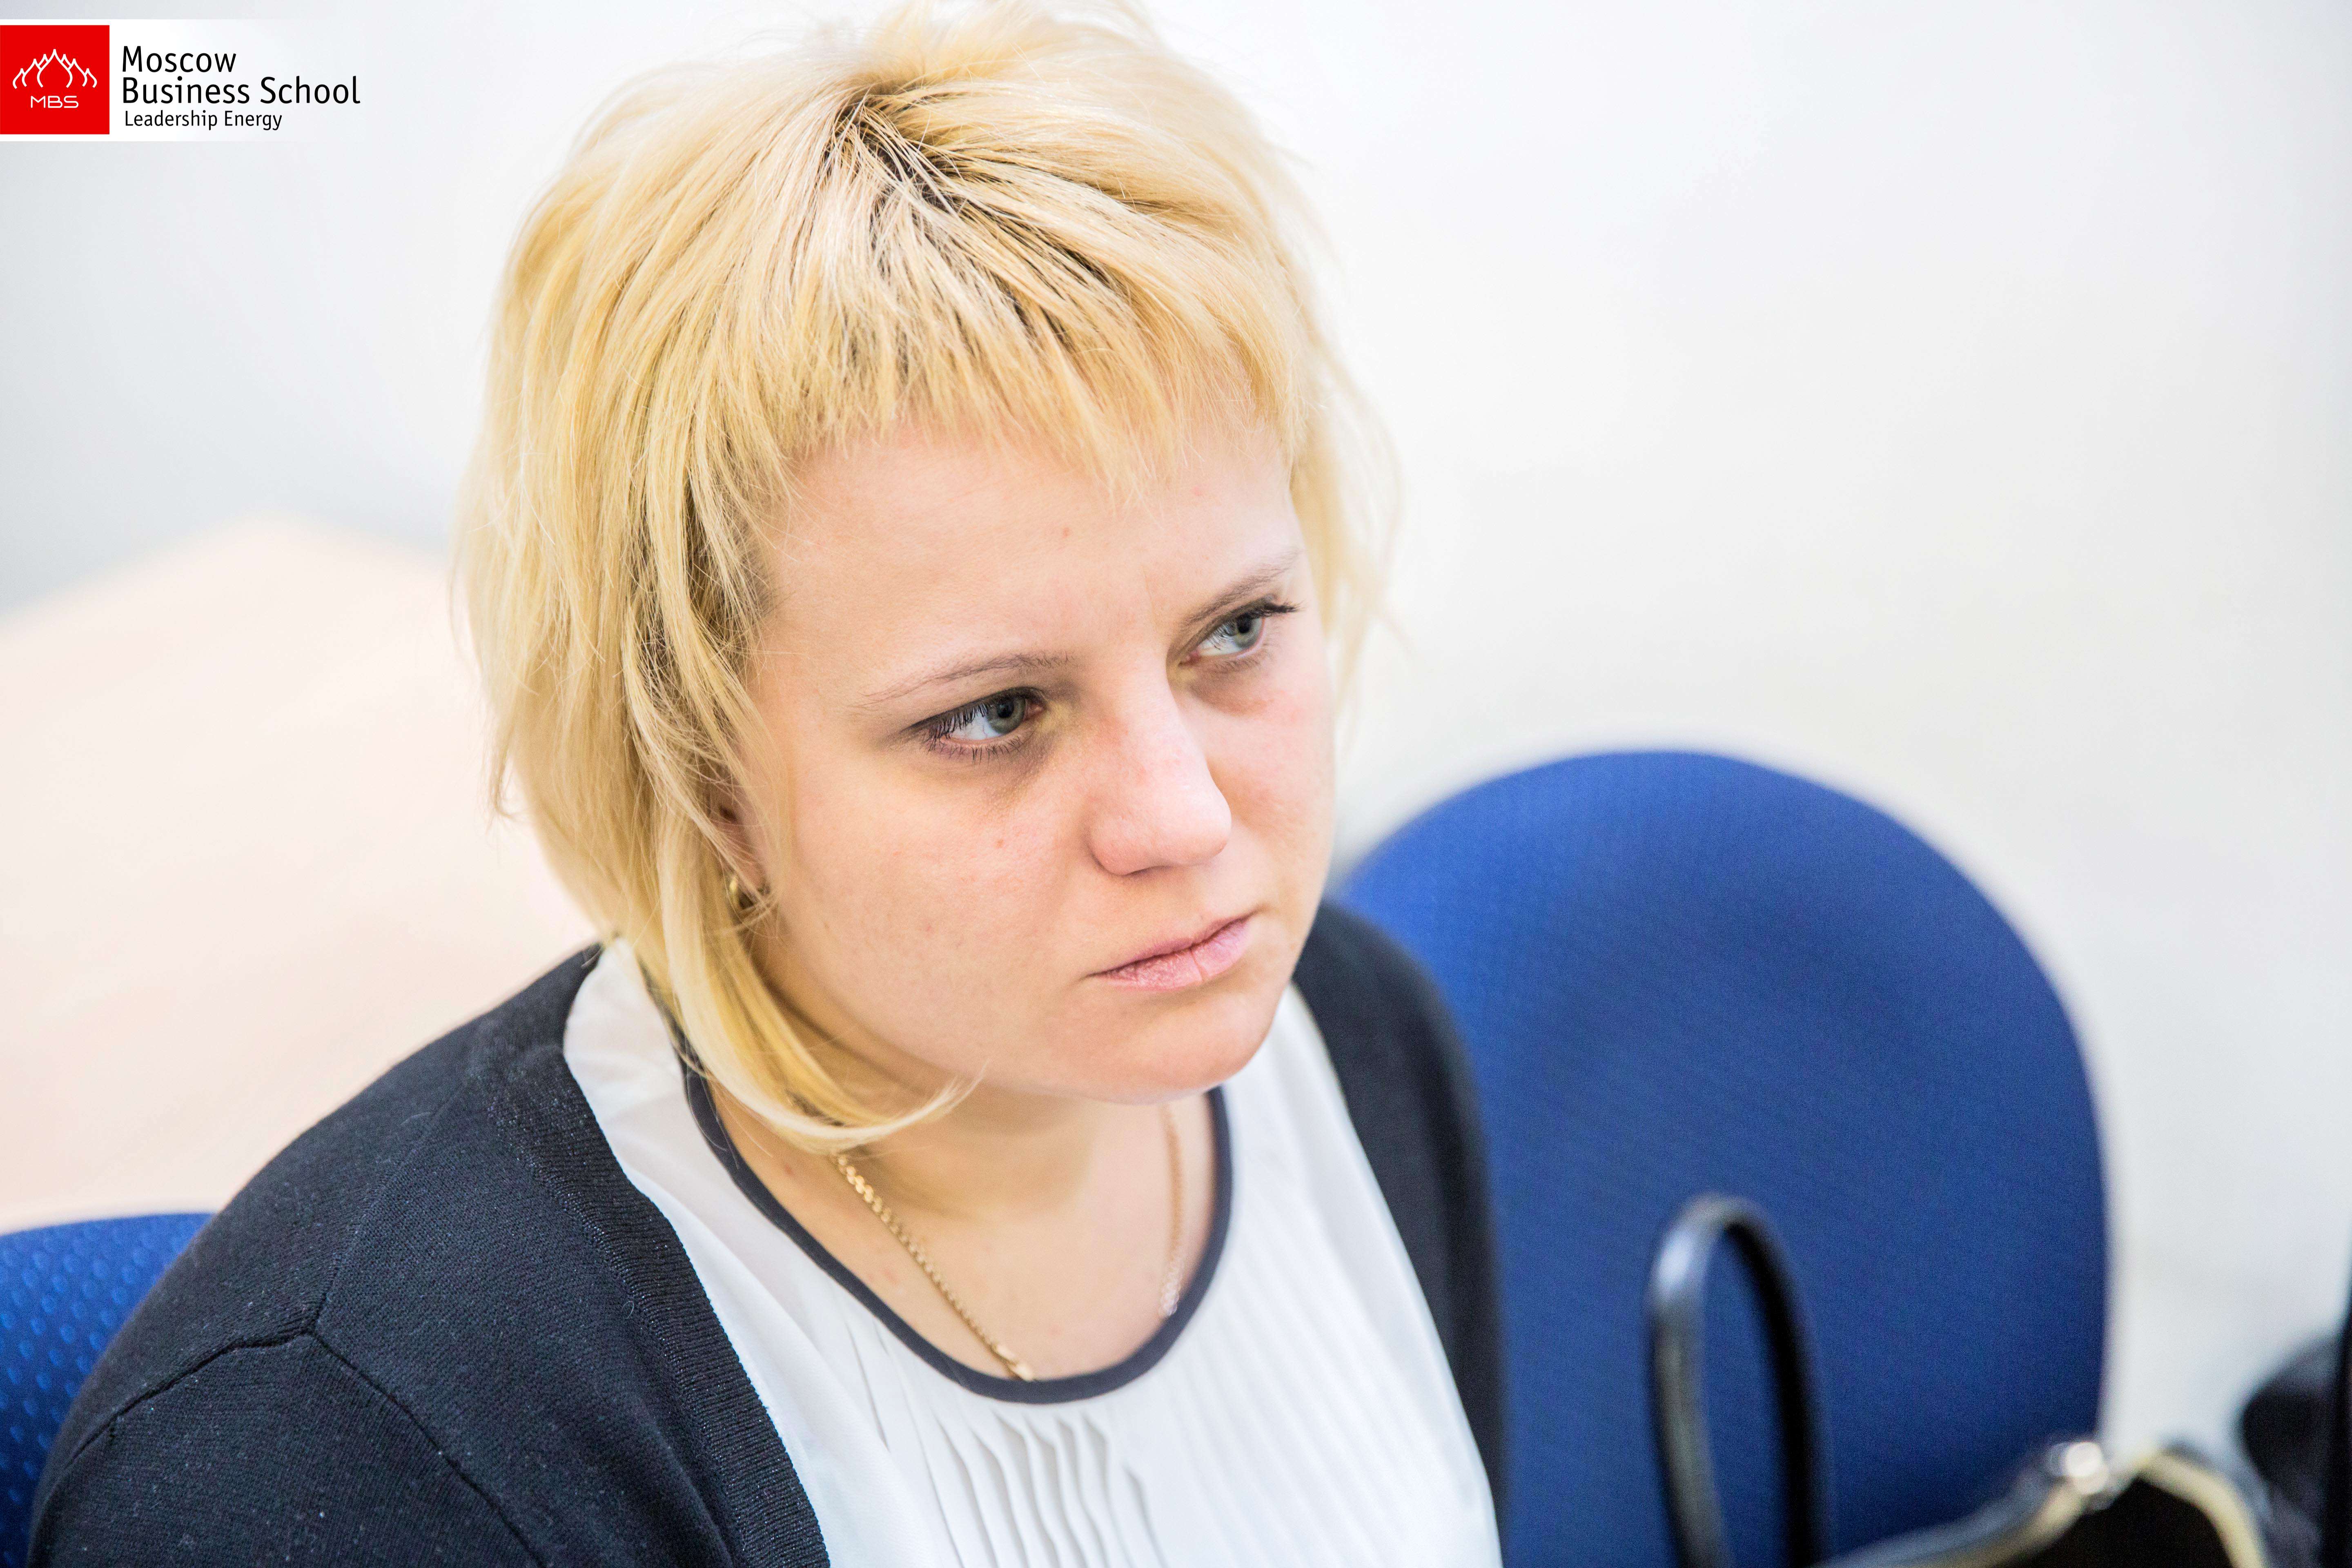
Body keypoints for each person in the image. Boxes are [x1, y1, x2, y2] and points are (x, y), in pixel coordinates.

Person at [29, 4, 1504, 1562]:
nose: (1187, 817)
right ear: (703, 769)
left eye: (1236, 633)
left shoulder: (1357, 1039)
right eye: (995, 714)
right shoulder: (351, 1455)